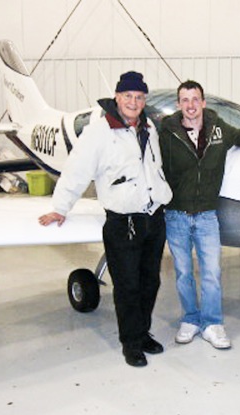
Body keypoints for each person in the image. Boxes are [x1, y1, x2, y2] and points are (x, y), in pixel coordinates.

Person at [38, 71, 172, 368]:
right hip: (123, 222)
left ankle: (143, 332)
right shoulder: (99, 132)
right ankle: (131, 343)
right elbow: (76, 171)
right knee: (127, 286)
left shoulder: (148, 126)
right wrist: (60, 207)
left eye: (139, 97)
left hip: (153, 217)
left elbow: (154, 167)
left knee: (150, 282)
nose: (133, 102)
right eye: (128, 96)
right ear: (117, 98)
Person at [159, 80, 240, 349]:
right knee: (183, 273)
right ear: (178, 105)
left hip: (207, 216)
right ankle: (191, 319)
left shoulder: (219, 128)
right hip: (176, 215)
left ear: (203, 103)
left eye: (195, 99)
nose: (191, 105)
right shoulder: (166, 131)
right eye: (185, 100)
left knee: (212, 272)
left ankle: (212, 324)